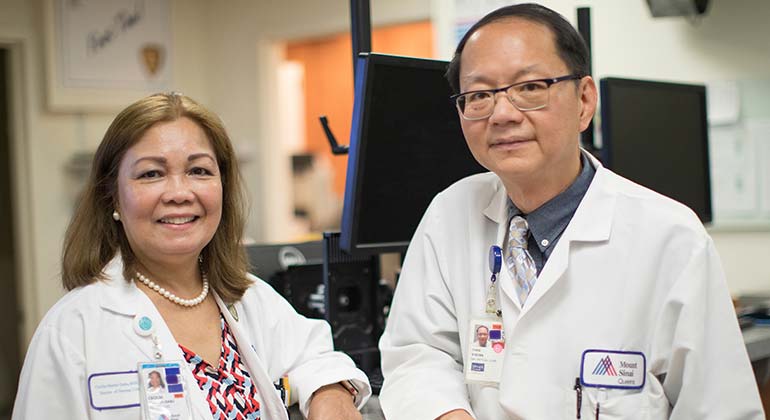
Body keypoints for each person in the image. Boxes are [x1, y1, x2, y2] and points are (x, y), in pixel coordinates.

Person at [378, 3, 764, 420]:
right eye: (479, 95)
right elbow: (416, 355)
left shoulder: (671, 236)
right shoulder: (449, 214)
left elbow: (720, 410)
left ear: (584, 100)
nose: (503, 114)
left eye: (530, 87)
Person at [12, 93, 370, 420]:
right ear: (113, 198)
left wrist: (329, 392)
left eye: (199, 170)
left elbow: (315, 357)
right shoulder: (72, 331)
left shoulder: (250, 299)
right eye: (151, 174)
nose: (180, 193)